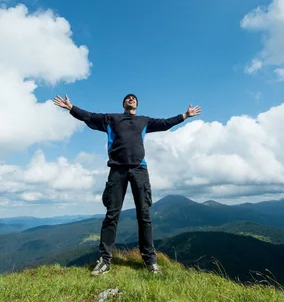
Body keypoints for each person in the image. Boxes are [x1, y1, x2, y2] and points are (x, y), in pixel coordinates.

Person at [53, 93, 201, 276]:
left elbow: (164, 123)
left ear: (137, 104)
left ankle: (150, 262)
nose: (131, 99)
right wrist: (71, 108)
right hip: (117, 170)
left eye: (134, 98)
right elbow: (89, 116)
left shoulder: (143, 121)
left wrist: (184, 116)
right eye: (128, 98)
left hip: (140, 169)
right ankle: (105, 261)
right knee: (111, 215)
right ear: (123, 103)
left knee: (144, 215)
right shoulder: (111, 119)